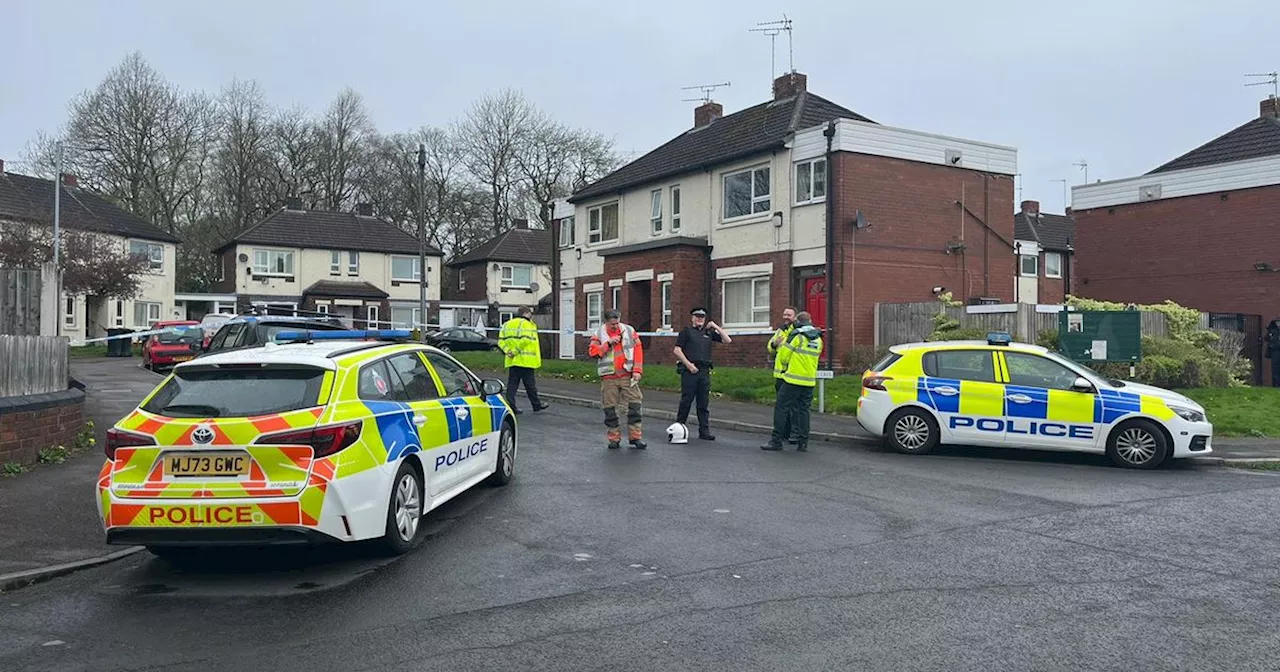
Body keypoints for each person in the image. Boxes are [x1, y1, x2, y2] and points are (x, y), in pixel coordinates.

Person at [762, 311, 823, 452]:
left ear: (799, 322)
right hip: (809, 381)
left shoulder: (796, 336)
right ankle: (803, 443)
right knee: (804, 411)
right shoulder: (818, 339)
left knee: (781, 408)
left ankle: (776, 440)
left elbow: (783, 357)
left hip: (792, 380)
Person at [589, 309, 646, 450]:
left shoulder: (629, 330)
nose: (615, 326)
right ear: (606, 322)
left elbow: (638, 350)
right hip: (609, 377)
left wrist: (637, 371)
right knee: (610, 410)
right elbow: (592, 352)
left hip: (627, 375)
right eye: (612, 324)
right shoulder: (599, 334)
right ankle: (614, 439)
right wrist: (607, 344)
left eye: (617, 323)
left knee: (635, 406)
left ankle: (635, 437)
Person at [673, 307, 732, 441]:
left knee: (703, 403)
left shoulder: (708, 333)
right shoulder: (686, 332)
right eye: (697, 317)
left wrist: (715, 326)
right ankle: (679, 428)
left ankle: (704, 431)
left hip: (704, 370)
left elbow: (727, 340)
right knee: (686, 401)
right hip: (690, 370)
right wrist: (688, 365)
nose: (700, 319)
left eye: (702, 317)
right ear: (692, 318)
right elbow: (677, 350)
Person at [498, 306, 548, 414]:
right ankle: (536, 405)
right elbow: (526, 340)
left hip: (512, 360)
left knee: (512, 385)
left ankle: (511, 405)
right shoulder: (527, 324)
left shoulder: (507, 324)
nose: (531, 315)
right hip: (526, 360)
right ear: (526, 313)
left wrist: (508, 351)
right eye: (530, 313)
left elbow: (501, 341)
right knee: (530, 385)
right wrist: (515, 351)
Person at [767, 306, 799, 443]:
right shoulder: (780, 330)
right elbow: (770, 347)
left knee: (793, 406)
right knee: (782, 406)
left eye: (789, 315)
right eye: (785, 314)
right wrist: (774, 344)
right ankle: (785, 432)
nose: (786, 317)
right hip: (779, 375)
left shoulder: (797, 332)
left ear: (795, 317)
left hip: (791, 374)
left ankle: (794, 433)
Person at [1267, 319, 1280, 387]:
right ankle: (1276, 384)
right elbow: (1266, 338)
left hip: (1276, 350)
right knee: (1275, 369)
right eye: (1277, 323)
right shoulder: (1273, 331)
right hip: (1275, 351)